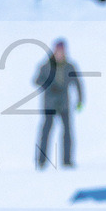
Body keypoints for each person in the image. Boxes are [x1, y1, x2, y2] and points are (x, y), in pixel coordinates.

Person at [34, 39, 84, 169]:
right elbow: (37, 80)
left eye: (62, 51)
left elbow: (78, 83)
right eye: (58, 51)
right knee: (46, 132)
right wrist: (50, 85)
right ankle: (41, 161)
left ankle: (67, 161)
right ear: (54, 51)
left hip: (64, 105)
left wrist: (80, 100)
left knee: (67, 132)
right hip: (50, 105)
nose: (60, 54)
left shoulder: (69, 66)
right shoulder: (46, 66)